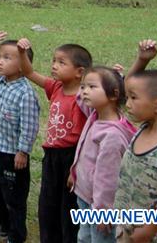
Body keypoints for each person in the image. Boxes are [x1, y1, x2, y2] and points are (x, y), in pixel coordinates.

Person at [18, 38, 93, 243]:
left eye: (61, 62)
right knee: (48, 203)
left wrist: (77, 167)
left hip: (73, 156)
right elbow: (29, 72)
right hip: (51, 156)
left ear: (79, 72)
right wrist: (22, 53)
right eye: (53, 60)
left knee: (69, 206)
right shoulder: (56, 87)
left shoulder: (85, 97)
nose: (54, 65)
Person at [0, 38, 41, 243]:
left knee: (13, 196)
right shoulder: (2, 80)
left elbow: (29, 126)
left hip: (13, 154)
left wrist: (23, 151)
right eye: (0, 56)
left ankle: (15, 235)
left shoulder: (26, 94)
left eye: (7, 57)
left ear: (23, 65)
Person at [114, 63, 157, 243]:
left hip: (152, 236)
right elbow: (130, 82)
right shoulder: (144, 128)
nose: (127, 104)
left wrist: (148, 231)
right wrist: (141, 60)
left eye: (133, 98)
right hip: (128, 225)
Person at [69, 65, 136, 243]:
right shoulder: (96, 114)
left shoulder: (112, 136)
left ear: (113, 95)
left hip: (99, 207)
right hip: (85, 194)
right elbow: (85, 155)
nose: (84, 92)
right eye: (83, 86)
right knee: (84, 237)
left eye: (92, 87)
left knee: (99, 240)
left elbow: (108, 178)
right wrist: (74, 173)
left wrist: (103, 211)